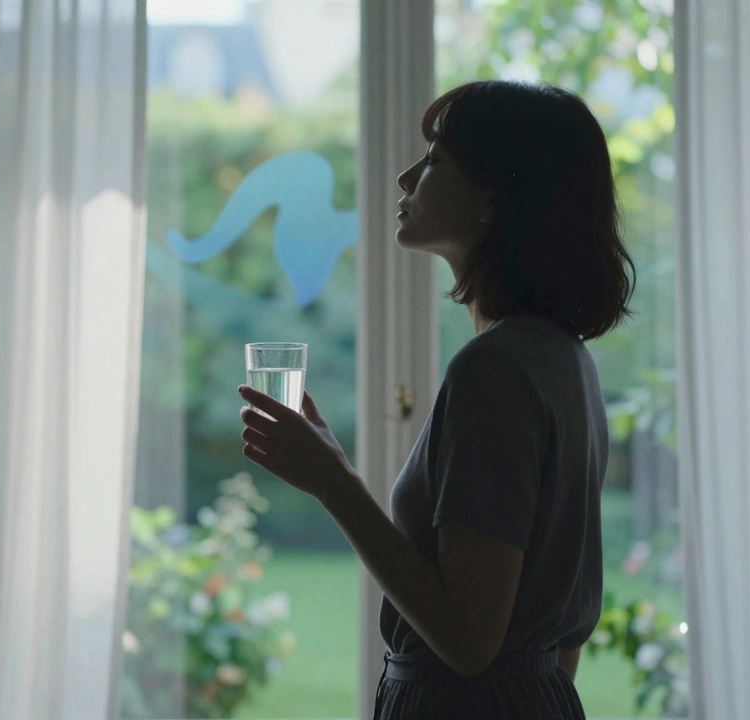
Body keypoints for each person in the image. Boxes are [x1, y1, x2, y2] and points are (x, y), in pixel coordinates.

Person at [237, 79, 635, 719]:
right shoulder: (564, 359)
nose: (404, 177)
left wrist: (332, 482)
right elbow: (561, 637)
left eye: (436, 162)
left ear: (493, 197)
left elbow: (468, 641)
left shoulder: (495, 370)